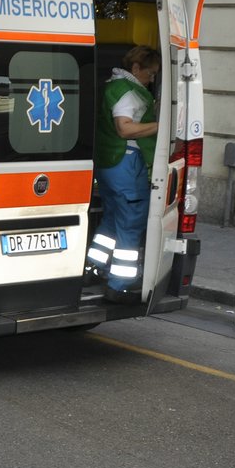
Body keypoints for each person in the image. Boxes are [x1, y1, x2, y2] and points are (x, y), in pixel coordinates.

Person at [85, 45, 161, 304]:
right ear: (136, 68)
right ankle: (120, 283)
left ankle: (94, 268)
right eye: (149, 73)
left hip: (109, 164)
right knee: (131, 222)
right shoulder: (127, 92)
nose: (151, 79)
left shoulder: (112, 86)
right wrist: (161, 125)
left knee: (112, 219)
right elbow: (125, 129)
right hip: (126, 164)